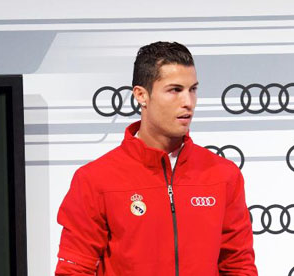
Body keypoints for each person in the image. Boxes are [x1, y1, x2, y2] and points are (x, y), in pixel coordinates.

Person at [55, 41, 257, 275]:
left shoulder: (223, 175)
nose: (188, 102)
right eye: (175, 90)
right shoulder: (94, 180)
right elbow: (74, 270)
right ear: (141, 95)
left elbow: (238, 265)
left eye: (193, 89)